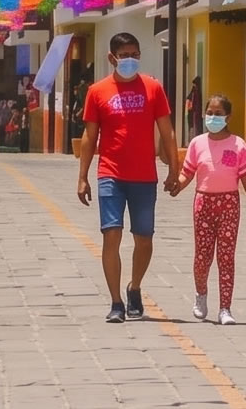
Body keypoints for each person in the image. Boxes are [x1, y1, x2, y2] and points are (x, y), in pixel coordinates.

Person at [76, 32, 179, 323]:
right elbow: (89, 135)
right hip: (110, 173)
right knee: (112, 234)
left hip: (144, 176)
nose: (130, 60)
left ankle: (134, 287)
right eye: (124, 55)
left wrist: (174, 167)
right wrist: (82, 176)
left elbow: (167, 130)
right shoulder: (98, 91)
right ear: (112, 58)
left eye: (135, 54)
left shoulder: (153, 88)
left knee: (144, 239)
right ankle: (117, 302)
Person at [168, 95, 246, 324]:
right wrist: (177, 185)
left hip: (229, 205)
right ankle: (201, 295)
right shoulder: (197, 144)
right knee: (202, 256)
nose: (213, 117)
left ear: (228, 117)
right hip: (203, 204)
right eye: (210, 113)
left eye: (218, 114)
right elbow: (187, 173)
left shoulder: (238, 145)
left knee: (226, 258)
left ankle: (225, 308)